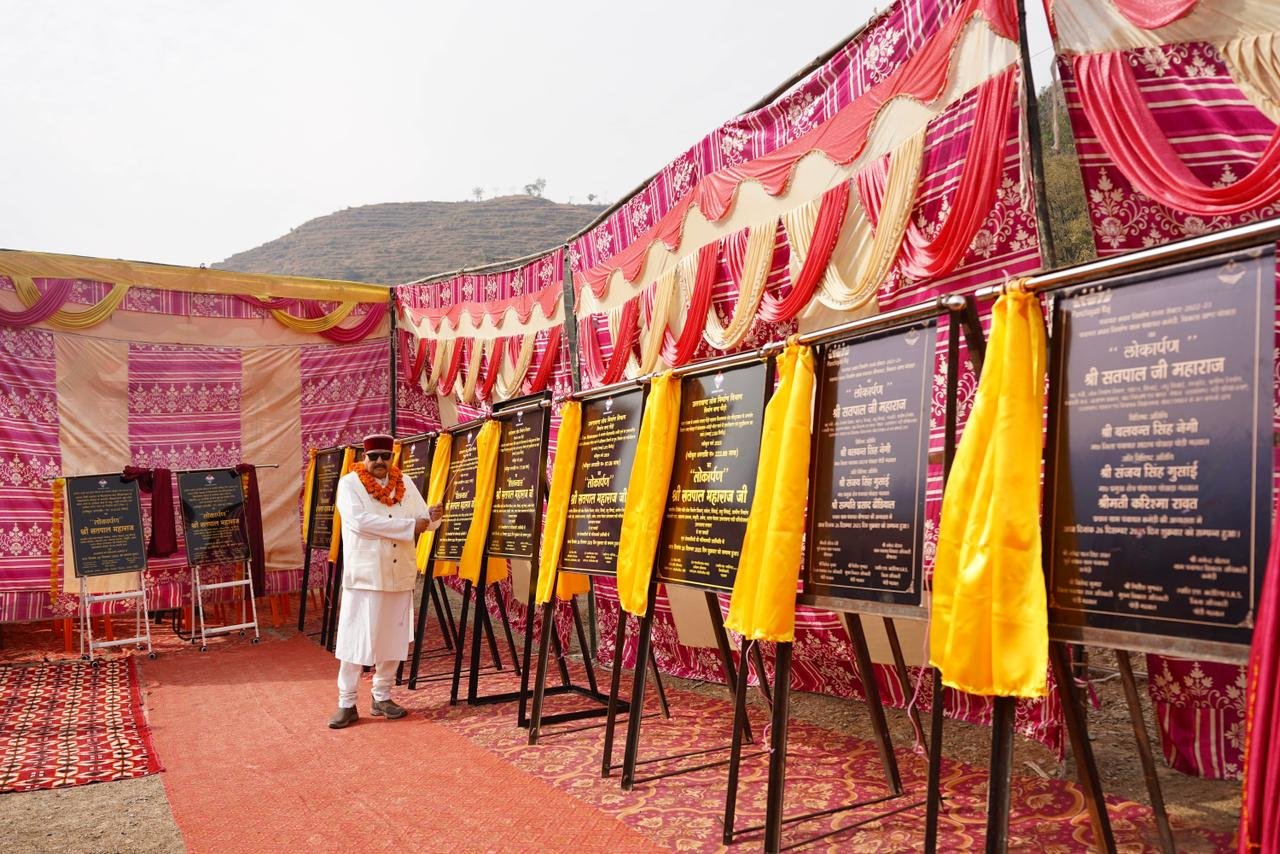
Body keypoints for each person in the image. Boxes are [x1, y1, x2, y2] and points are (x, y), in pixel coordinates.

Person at [328, 433, 442, 729]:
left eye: (385, 456)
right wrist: (409, 526)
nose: (380, 461)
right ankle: (346, 702)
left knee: (394, 638)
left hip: (399, 573)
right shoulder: (349, 484)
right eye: (373, 456)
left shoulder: (405, 482)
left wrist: (433, 517)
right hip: (366, 575)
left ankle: (382, 697)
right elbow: (360, 522)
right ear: (363, 458)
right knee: (356, 639)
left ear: (393, 457)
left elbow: (422, 520)